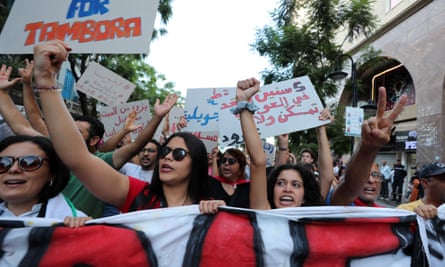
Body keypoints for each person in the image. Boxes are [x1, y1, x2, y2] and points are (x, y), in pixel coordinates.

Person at [33, 40, 223, 216]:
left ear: (196, 163)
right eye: (165, 151)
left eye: (179, 154)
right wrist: (46, 79)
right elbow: (78, 158)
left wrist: (220, 214)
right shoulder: (138, 194)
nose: (167, 157)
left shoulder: (209, 209)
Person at [329, 86, 407, 206]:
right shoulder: (341, 204)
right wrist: (368, 147)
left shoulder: (384, 215)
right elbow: (350, 187)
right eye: (365, 175)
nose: (370, 180)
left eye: (375, 175)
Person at [0, 135, 86, 219]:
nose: (13, 169)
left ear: (52, 173)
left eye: (30, 163)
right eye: (3, 163)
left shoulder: (76, 225)